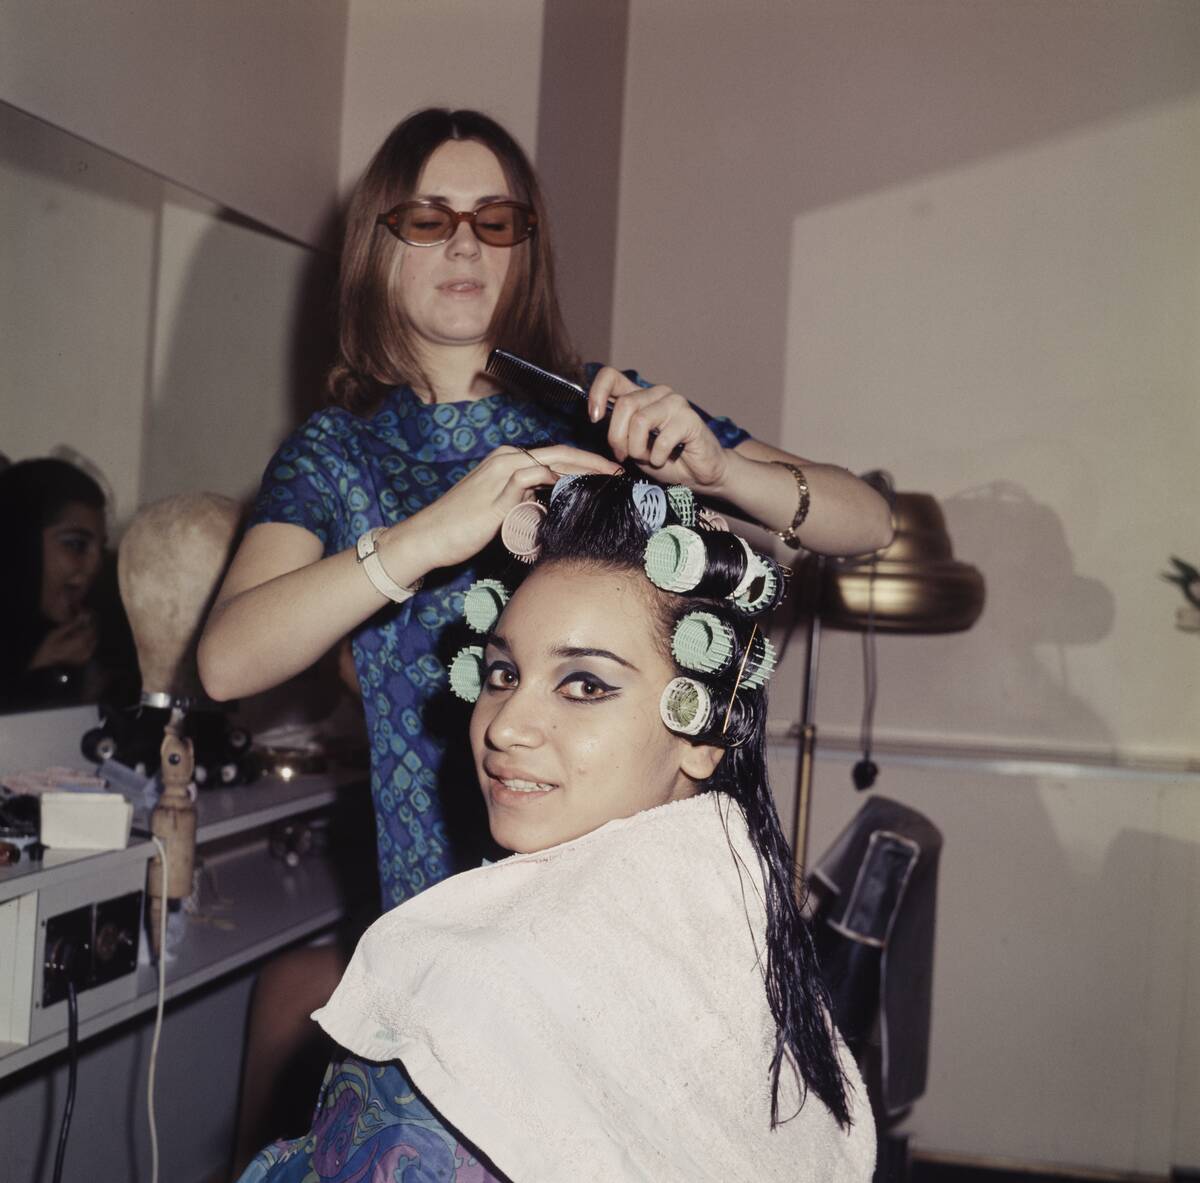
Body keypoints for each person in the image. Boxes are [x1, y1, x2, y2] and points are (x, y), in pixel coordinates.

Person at [197, 106, 891, 1169]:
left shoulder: (602, 414)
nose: (467, 242)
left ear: (529, 249)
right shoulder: (335, 456)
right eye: (428, 218)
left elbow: (869, 522)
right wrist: (429, 536)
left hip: (611, 904)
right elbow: (226, 659)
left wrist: (719, 468)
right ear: (377, 246)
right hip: (440, 901)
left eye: (496, 218)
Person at [237, 472, 876, 1182]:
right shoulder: (736, 905)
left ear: (706, 728)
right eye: (503, 672)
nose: (505, 725)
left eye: (585, 685)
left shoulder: (470, 996)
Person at [0, 458, 135, 711]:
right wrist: (37, 666)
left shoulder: (101, 633)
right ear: (19, 543)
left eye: (101, 548)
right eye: (76, 545)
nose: (95, 565)